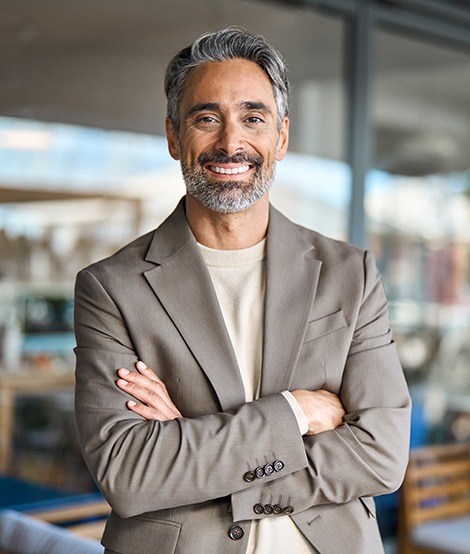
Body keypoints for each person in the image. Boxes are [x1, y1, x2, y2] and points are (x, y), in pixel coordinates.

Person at [74, 27, 411, 554]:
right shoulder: (110, 287)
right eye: (206, 118)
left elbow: (381, 455)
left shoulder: (352, 273)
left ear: (281, 137)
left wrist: (192, 447)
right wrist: (296, 413)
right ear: (172, 136)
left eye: (253, 118)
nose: (231, 142)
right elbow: (130, 473)